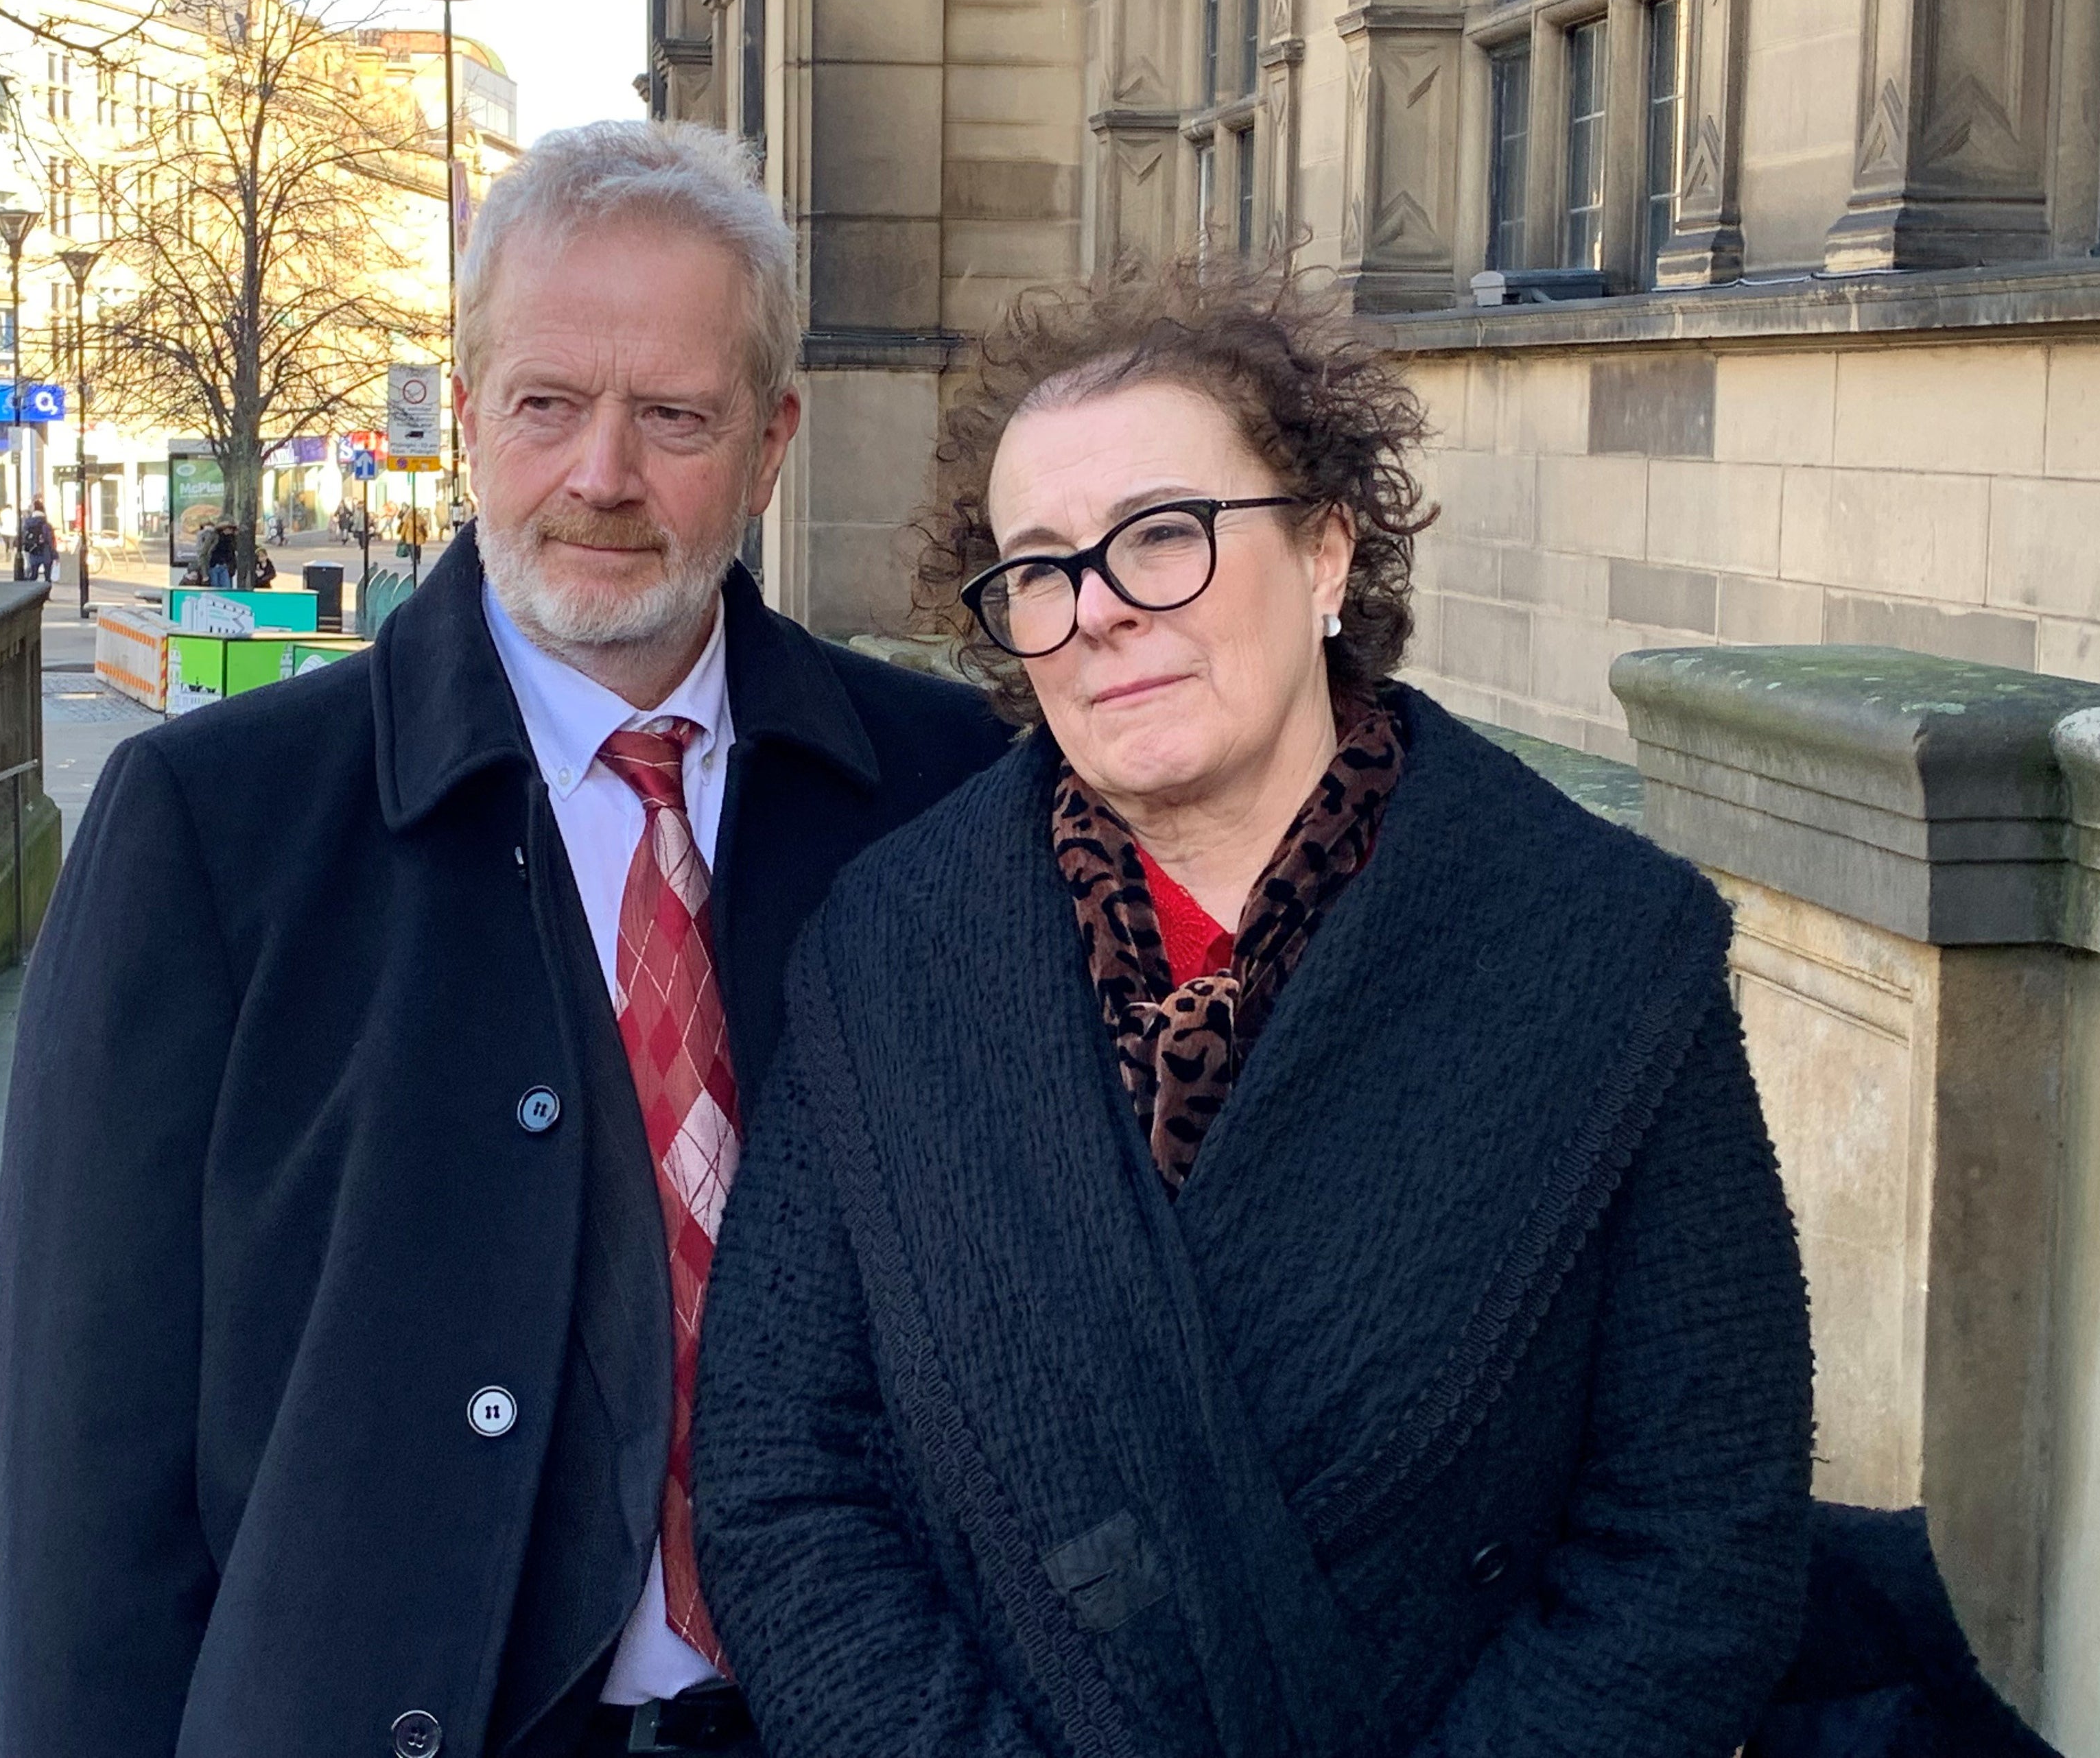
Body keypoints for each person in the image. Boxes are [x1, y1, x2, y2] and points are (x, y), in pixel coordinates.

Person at [692, 264, 1822, 1758]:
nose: (1098, 612)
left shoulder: (1603, 947)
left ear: (1327, 551)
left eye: (1163, 535)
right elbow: (785, 1475)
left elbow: (1696, 1526)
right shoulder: (888, 953)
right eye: (1041, 566)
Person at [0, 119, 1008, 1758]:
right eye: (545, 404)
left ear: (767, 442)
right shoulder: (214, 827)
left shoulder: (947, 795)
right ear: (465, 414)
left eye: (671, 416)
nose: (600, 476)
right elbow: (85, 1462)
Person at [19, 499, 56, 599]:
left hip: (33, 551)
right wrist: (54, 554)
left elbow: (23, 535)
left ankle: (30, 594)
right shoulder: (46, 525)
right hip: (45, 551)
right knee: (47, 576)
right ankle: (46, 595)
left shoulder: (28, 523)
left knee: (33, 575)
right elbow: (50, 540)